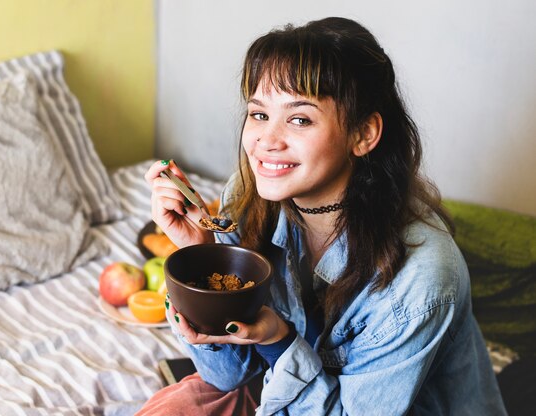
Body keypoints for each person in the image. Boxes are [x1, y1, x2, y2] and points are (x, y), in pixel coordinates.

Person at [138, 17, 506, 415]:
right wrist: (201, 257)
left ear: (363, 134)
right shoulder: (246, 198)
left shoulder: (421, 279)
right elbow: (227, 375)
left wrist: (279, 341)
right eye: (259, 114)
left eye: (300, 119)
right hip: (291, 389)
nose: (266, 141)